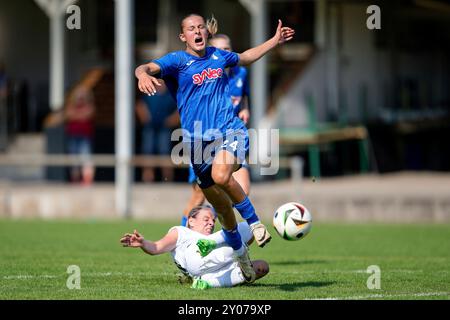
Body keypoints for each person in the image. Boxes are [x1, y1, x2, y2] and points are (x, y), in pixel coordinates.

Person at [135, 14, 295, 282]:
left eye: (200, 27)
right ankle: (241, 256)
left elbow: (245, 56)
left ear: (206, 32)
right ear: (182, 36)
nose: (197, 31)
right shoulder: (176, 61)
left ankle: (255, 223)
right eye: (190, 28)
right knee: (221, 210)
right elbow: (145, 67)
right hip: (197, 143)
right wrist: (141, 74)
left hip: (230, 130)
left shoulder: (220, 57)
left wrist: (274, 41)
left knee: (222, 176)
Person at [181, 34, 251, 226]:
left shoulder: (240, 73)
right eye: (219, 49)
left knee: (242, 189)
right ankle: (180, 239)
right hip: (204, 141)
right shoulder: (204, 76)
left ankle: (229, 233)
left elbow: (243, 96)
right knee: (198, 197)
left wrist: (245, 108)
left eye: (227, 48)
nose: (223, 52)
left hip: (231, 138)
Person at [120, 205, 269, 289]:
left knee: (262, 266)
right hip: (195, 257)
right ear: (191, 221)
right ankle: (215, 245)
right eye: (206, 219)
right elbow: (156, 247)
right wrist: (143, 243)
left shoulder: (214, 235)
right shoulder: (181, 232)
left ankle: (207, 284)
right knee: (244, 227)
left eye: (213, 220)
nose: (211, 223)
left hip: (209, 272)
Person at [136, 80, 179, 182]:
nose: (160, 84)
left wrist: (172, 120)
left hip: (164, 129)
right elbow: (139, 105)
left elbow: (179, 110)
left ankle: (167, 180)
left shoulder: (171, 95)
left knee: (165, 154)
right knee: (148, 153)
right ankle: (148, 180)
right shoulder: (149, 93)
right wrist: (144, 117)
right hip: (150, 128)